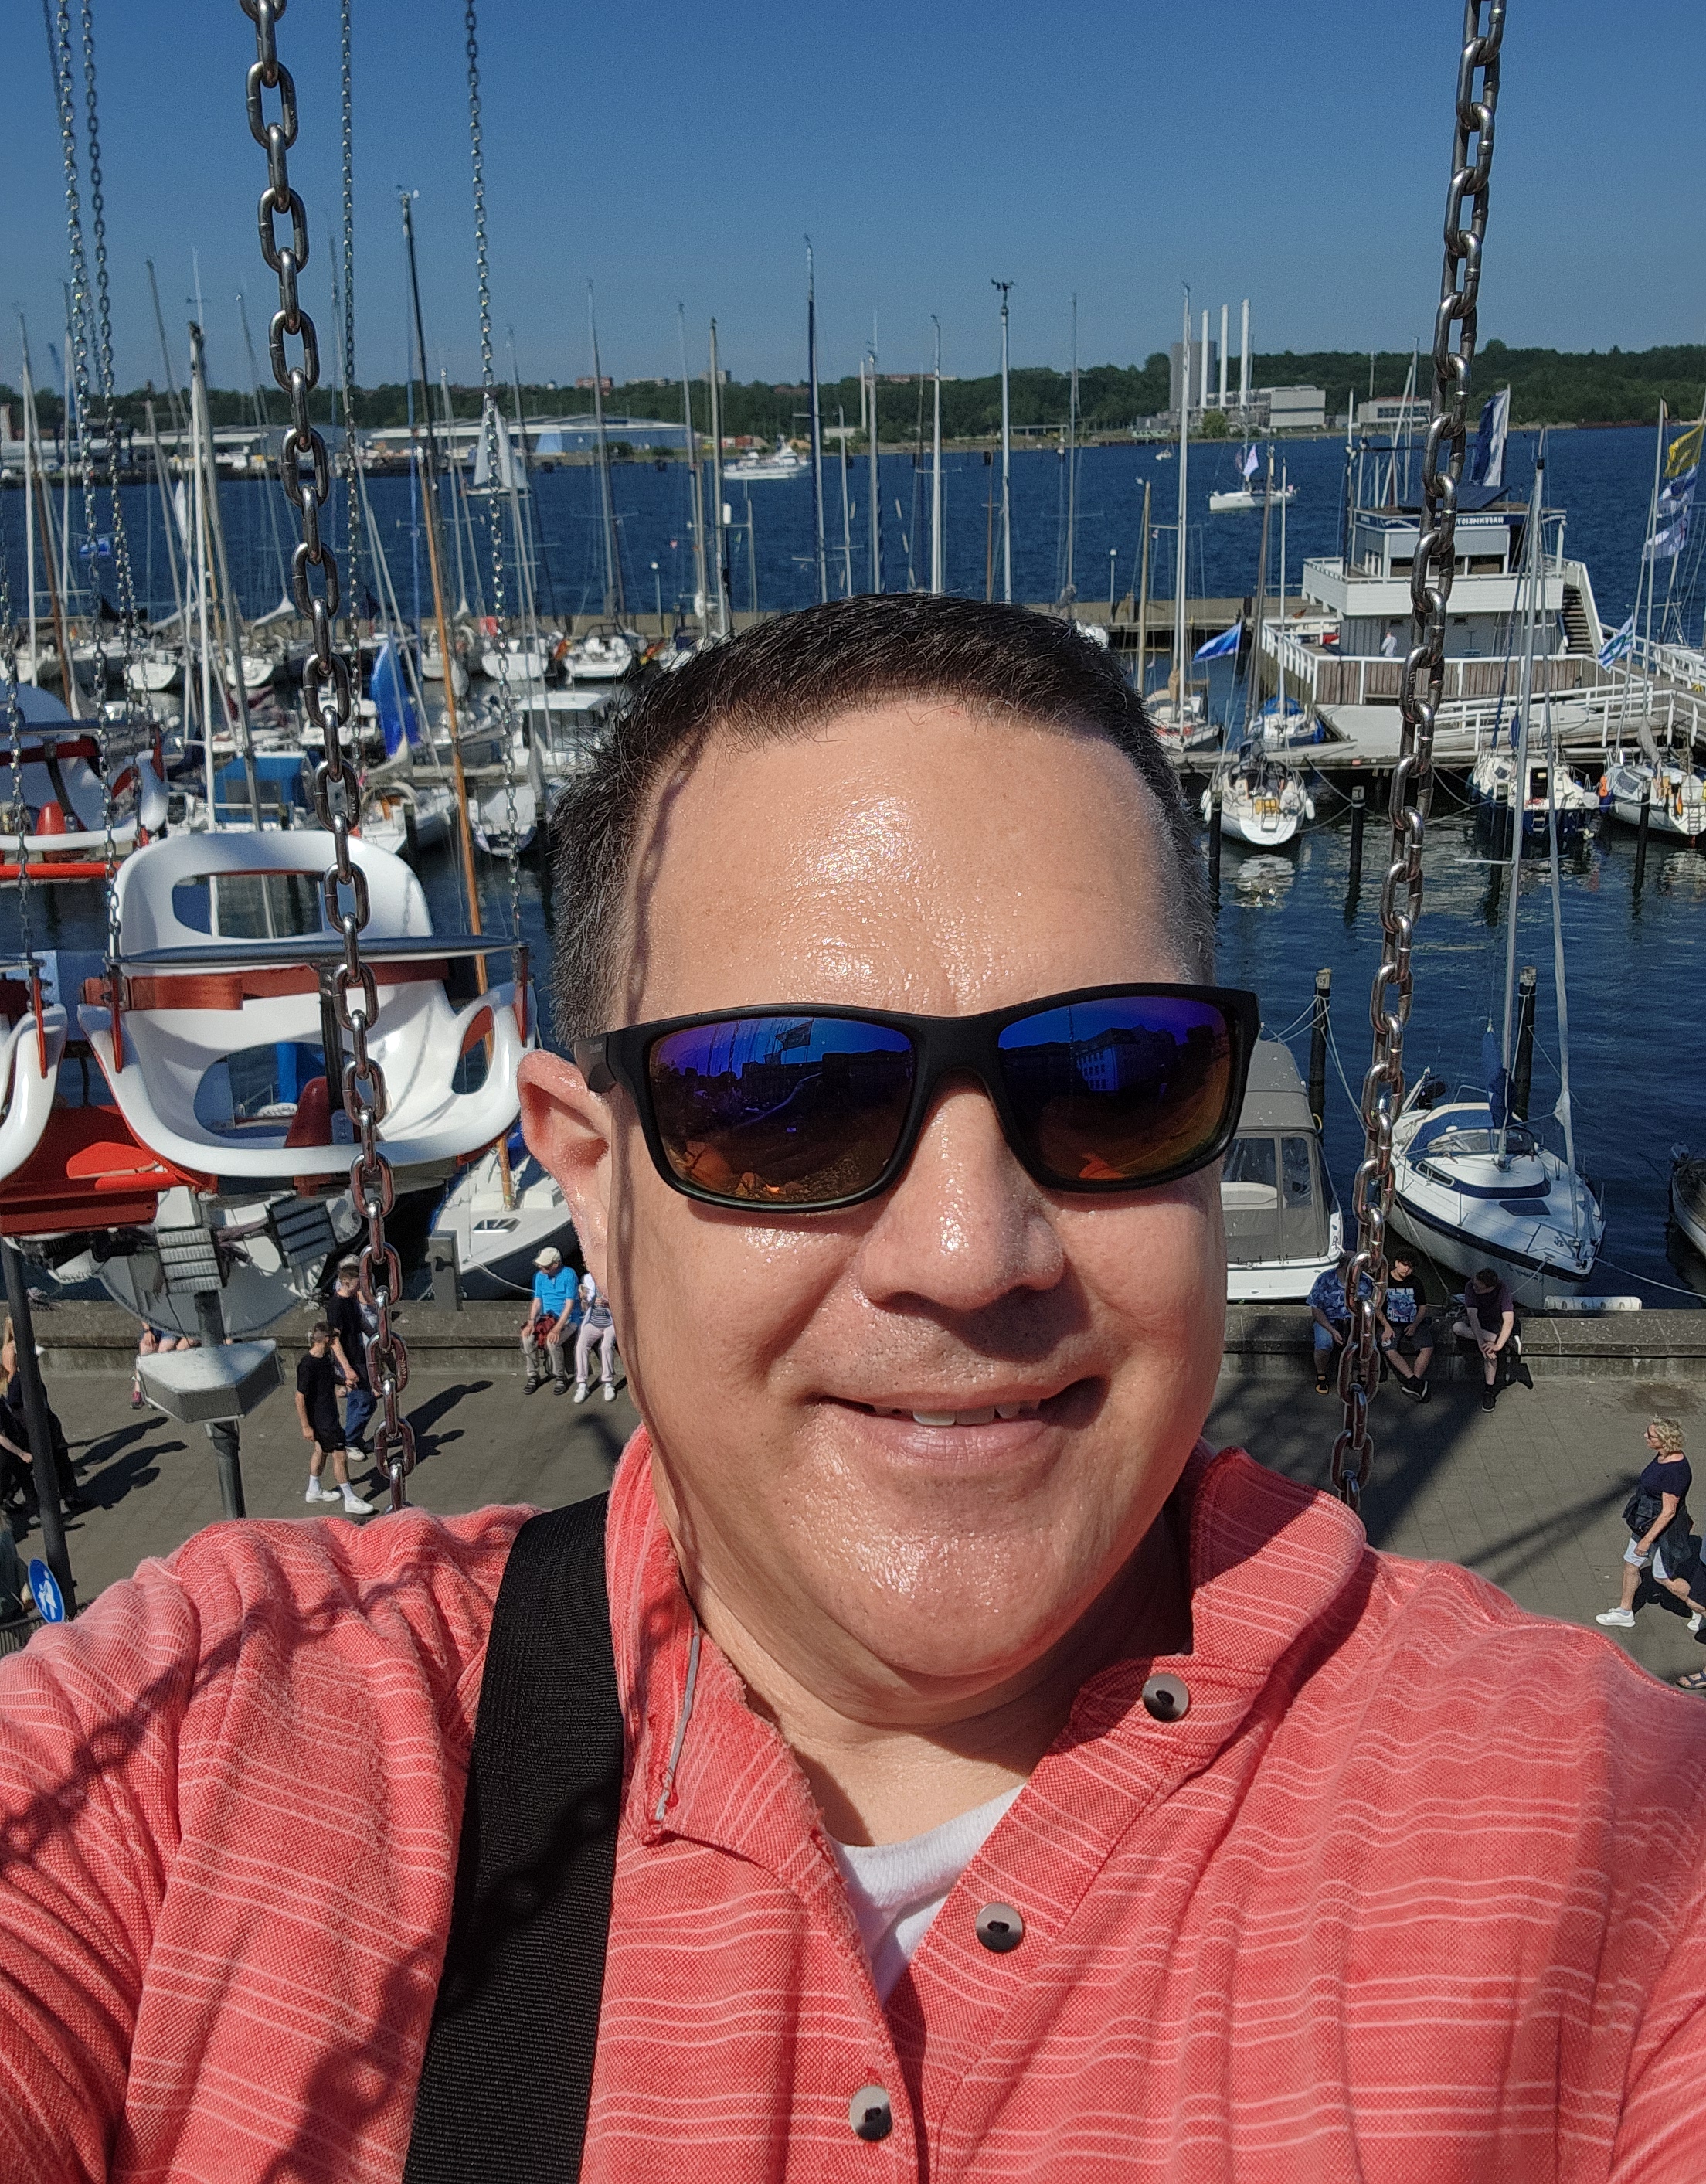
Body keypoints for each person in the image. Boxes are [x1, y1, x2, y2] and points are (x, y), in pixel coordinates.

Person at [2, 596, 1706, 2176]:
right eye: (784, 1097)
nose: (968, 1252)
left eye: (1114, 1074)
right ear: (589, 1180)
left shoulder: (1603, 1840)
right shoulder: (205, 1747)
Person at [1597, 1418, 1706, 1636]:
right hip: (1645, 1522)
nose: (1645, 1436)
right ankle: (1625, 1612)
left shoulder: (1675, 1471)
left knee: (1662, 1577)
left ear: (1664, 1440)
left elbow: (1669, 1511)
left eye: (1651, 1435)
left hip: (1662, 1531)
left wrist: (1646, 1541)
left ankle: (1699, 1607)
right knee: (1631, 1563)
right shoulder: (1663, 1456)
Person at [0, 1315, 88, 1523]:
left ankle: (60, 1501)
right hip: (26, 1424)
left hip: (37, 1418)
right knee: (30, 1467)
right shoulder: (14, 1362)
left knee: (47, 1462)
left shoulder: (27, 1361)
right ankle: (43, 1508)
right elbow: (11, 1392)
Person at [294, 1322, 372, 1516]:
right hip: (323, 1419)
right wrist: (305, 1426)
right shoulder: (307, 1365)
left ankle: (313, 1490)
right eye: (334, 1338)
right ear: (327, 1339)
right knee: (340, 1455)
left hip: (328, 1413)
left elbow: (328, 1377)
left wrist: (343, 1381)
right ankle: (350, 1499)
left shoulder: (325, 1357)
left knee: (321, 1450)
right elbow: (299, 1396)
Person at [326, 1259, 377, 1454]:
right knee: (367, 1402)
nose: (363, 1286)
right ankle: (350, 1440)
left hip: (358, 1355)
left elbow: (361, 1322)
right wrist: (347, 1369)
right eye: (359, 1282)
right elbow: (335, 1341)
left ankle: (354, 1439)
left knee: (356, 1399)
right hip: (350, 1360)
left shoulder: (352, 1300)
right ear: (347, 1283)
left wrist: (376, 1337)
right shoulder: (336, 1307)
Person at [1452, 1265, 1520, 1411]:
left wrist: (1496, 1346)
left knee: (1491, 1350)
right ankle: (1504, 1340)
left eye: (1478, 1287)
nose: (1474, 1288)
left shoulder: (1503, 1290)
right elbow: (1472, 1316)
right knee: (1457, 1327)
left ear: (1490, 1288)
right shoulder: (1471, 1285)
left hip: (1494, 1321)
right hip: (1480, 1321)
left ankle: (1489, 1390)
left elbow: (1508, 1320)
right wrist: (1481, 1342)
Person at [1306, 1250, 1372, 1393]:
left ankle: (1363, 1376)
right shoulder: (1325, 1278)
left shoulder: (1365, 1282)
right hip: (1328, 1320)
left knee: (1369, 1344)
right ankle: (1321, 1375)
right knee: (1324, 1343)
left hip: (1354, 1322)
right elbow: (1316, 1309)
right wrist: (1332, 1330)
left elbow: (1369, 1310)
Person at [522, 1243, 578, 1396]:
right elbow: (537, 1301)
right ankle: (533, 1375)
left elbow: (569, 1305)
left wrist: (557, 1329)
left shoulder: (569, 1274)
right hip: (547, 1318)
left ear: (555, 1264)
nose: (542, 1269)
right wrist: (531, 1322)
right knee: (527, 1338)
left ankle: (560, 1376)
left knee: (552, 1342)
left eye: (545, 1266)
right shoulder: (540, 1276)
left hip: (567, 1319)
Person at [1378, 1249, 1433, 1400]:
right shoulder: (1384, 1281)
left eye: (1410, 1267)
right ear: (1397, 1263)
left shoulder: (1416, 1282)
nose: (1406, 1270)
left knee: (1427, 1348)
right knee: (1389, 1347)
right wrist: (1386, 1326)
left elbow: (1422, 1306)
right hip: (1391, 1324)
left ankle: (1415, 1381)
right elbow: (1376, 1307)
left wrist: (1415, 1324)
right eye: (1404, 1265)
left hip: (1412, 1322)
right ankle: (1414, 1381)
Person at [572, 1268, 618, 1405]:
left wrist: (608, 1303)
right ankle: (582, 1384)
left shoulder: (613, 1278)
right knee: (581, 1346)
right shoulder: (587, 1279)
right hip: (593, 1322)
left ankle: (608, 1383)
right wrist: (584, 1299)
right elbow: (585, 1307)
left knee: (606, 1346)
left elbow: (622, 1303)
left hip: (611, 1323)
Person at [130, 1326, 195, 1411]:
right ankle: (138, 1391)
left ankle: (159, 1394)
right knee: (145, 1349)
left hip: (172, 1327)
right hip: (154, 1328)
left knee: (163, 1351)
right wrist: (147, 1331)